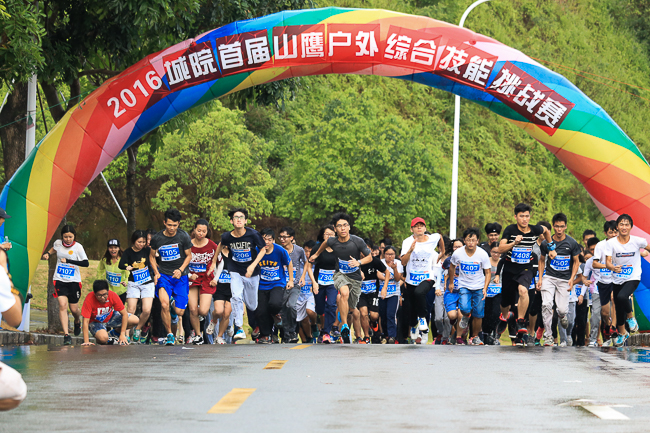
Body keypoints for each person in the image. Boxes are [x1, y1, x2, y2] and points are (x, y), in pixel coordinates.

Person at [310, 213, 373, 344]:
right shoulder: (333, 241)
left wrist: (359, 262)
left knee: (352, 307)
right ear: (335, 228)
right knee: (344, 293)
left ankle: (348, 323)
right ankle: (344, 325)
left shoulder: (357, 241)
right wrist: (316, 254)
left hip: (355, 277)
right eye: (339, 226)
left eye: (345, 225)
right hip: (340, 275)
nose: (343, 228)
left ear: (349, 227)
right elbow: (324, 243)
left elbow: (370, 257)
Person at [497, 203, 551, 346]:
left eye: (527, 216)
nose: (524, 219)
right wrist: (514, 243)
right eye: (521, 216)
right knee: (505, 302)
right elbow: (500, 249)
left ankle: (521, 321)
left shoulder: (535, 229)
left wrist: (551, 247)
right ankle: (504, 316)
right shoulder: (510, 230)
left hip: (526, 268)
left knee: (523, 290)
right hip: (510, 268)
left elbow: (546, 230)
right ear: (516, 217)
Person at [215, 208, 267, 341]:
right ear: (231, 221)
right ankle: (239, 327)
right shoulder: (227, 236)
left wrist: (252, 266)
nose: (238, 219)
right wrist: (213, 262)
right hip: (235, 269)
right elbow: (220, 245)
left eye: (241, 217)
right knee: (236, 296)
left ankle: (243, 300)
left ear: (245, 221)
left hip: (251, 273)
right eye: (236, 217)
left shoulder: (253, 234)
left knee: (252, 305)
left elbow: (263, 249)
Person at [605, 214, 650, 346]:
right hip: (617, 277)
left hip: (633, 276)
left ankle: (631, 317)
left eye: (627, 225)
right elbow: (608, 262)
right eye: (621, 224)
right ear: (617, 227)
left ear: (631, 227)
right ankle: (622, 333)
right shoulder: (611, 243)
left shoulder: (638, 241)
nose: (624, 227)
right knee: (619, 307)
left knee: (622, 296)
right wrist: (613, 267)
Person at [149, 208, 193, 346]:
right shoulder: (157, 238)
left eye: (175, 225)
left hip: (180, 276)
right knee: (163, 304)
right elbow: (151, 256)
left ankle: (173, 307)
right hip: (164, 275)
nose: (172, 228)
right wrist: (156, 272)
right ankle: (169, 334)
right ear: (164, 223)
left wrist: (180, 269)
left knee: (180, 311)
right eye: (169, 225)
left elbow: (189, 256)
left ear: (178, 224)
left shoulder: (183, 236)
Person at [537, 213, 581, 347]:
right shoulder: (546, 243)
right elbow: (541, 261)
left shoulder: (572, 243)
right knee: (546, 305)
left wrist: (572, 279)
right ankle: (548, 336)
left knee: (561, 310)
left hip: (564, 279)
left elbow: (576, 262)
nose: (559, 229)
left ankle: (562, 316)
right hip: (549, 277)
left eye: (562, 226)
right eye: (556, 226)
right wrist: (540, 279)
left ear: (566, 226)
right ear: (553, 226)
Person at [42, 224, 89, 345]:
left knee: (74, 309)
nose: (68, 239)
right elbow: (54, 249)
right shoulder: (58, 243)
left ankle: (77, 321)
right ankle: (66, 335)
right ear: (62, 236)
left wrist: (69, 261)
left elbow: (86, 263)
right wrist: (48, 253)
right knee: (62, 305)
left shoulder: (78, 247)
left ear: (74, 236)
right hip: (60, 279)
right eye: (65, 237)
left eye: (70, 237)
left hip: (74, 281)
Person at [400, 217, 445, 342]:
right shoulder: (407, 242)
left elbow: (440, 237)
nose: (419, 227)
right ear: (412, 229)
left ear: (425, 228)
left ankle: (422, 318)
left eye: (421, 225)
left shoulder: (432, 238)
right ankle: (414, 325)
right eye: (416, 226)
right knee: (411, 310)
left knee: (419, 292)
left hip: (427, 277)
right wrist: (410, 251)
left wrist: (442, 251)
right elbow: (403, 262)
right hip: (411, 279)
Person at [448, 228, 491, 345]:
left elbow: (488, 272)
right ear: (464, 240)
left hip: (479, 286)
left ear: (477, 241)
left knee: (478, 313)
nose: (471, 243)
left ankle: (475, 336)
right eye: (468, 240)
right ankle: (466, 316)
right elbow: (452, 267)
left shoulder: (482, 254)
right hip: (464, 285)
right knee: (465, 308)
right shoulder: (458, 253)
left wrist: (485, 288)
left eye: (473, 240)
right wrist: (451, 282)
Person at [256, 228, 293, 344]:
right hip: (261, 284)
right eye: (264, 239)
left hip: (277, 283)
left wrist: (290, 280)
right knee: (261, 311)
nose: (266, 242)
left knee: (275, 303)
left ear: (273, 240)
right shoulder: (256, 250)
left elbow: (289, 263)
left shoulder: (280, 250)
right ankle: (266, 335)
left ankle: (276, 314)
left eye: (269, 239)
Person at [119, 230, 156, 344]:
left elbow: (154, 259)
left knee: (147, 310)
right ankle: (126, 333)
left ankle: (138, 328)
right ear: (133, 241)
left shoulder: (147, 250)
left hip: (147, 282)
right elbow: (121, 264)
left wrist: (156, 273)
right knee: (131, 309)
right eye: (139, 242)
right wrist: (127, 267)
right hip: (134, 283)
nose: (141, 244)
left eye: (143, 242)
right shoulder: (128, 252)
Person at [187, 219, 219, 345]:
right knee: (193, 309)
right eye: (199, 230)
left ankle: (205, 319)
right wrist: (190, 274)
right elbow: (181, 263)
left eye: (204, 231)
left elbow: (220, 262)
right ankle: (198, 335)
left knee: (203, 311)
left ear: (207, 232)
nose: (201, 233)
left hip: (207, 279)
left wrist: (215, 278)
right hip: (192, 279)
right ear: (194, 230)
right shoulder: (187, 244)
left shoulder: (212, 245)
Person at [80, 280, 139, 345]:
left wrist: (122, 334)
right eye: (99, 295)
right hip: (95, 321)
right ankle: (102, 338)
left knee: (135, 320)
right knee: (103, 338)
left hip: (110, 317)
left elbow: (124, 314)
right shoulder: (89, 298)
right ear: (95, 293)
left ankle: (115, 333)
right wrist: (86, 341)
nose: (102, 298)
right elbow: (85, 321)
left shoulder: (112, 295)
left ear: (108, 291)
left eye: (104, 295)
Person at [308, 225, 338, 344]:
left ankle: (327, 332)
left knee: (331, 304)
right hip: (319, 282)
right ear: (323, 235)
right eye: (327, 234)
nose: (329, 237)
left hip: (333, 282)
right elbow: (309, 266)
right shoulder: (317, 248)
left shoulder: (338, 248)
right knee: (320, 309)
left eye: (331, 234)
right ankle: (321, 327)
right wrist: (314, 283)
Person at [278, 227, 307, 343]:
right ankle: (287, 334)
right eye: (280, 237)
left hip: (295, 284)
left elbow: (306, 263)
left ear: (291, 238)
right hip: (281, 284)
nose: (282, 239)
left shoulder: (299, 250)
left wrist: (303, 277)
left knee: (291, 305)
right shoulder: (278, 250)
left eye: (285, 237)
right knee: (283, 309)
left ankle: (293, 331)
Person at [591, 220, 618, 345]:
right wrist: (608, 266)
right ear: (605, 233)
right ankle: (607, 325)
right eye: (611, 232)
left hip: (617, 279)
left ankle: (614, 328)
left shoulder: (621, 245)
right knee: (605, 312)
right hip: (603, 281)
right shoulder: (600, 246)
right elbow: (594, 264)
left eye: (615, 232)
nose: (614, 235)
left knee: (614, 298)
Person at [358, 249, 388, 343]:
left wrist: (384, 287)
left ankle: (374, 322)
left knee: (374, 316)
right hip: (361, 292)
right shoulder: (355, 262)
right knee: (363, 314)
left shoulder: (374, 261)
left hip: (373, 292)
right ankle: (366, 336)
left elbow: (387, 272)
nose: (363, 253)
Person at [207, 249, 232, 344]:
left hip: (232, 288)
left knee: (226, 314)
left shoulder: (235, 254)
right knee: (218, 311)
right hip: (219, 287)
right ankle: (214, 320)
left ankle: (219, 337)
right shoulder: (218, 254)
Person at [379, 246, 403, 344]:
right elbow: (379, 275)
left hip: (394, 293)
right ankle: (385, 335)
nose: (390, 256)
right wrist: (387, 277)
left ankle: (392, 336)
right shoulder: (380, 262)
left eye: (392, 254)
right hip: (382, 293)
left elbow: (397, 279)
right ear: (384, 254)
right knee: (383, 315)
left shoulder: (398, 263)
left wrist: (395, 269)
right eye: (388, 254)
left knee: (391, 314)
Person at [444, 238, 464, 344]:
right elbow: (443, 272)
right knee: (452, 315)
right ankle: (455, 324)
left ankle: (459, 337)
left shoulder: (467, 260)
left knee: (461, 314)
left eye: (459, 246)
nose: (457, 248)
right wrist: (444, 284)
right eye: (455, 246)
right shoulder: (448, 260)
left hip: (463, 291)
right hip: (451, 291)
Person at [97, 239, 129, 303]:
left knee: (119, 309)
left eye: (115, 247)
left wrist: (125, 282)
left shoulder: (124, 260)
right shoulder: (104, 260)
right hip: (108, 291)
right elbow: (100, 270)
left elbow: (128, 274)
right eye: (111, 247)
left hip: (121, 291)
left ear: (119, 248)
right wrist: (100, 282)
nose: (113, 250)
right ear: (108, 249)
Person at [483, 242, 502, 345]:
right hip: (487, 290)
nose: (496, 254)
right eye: (494, 252)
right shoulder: (486, 262)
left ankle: (494, 334)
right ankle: (485, 334)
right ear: (490, 251)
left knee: (496, 313)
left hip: (499, 291)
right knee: (486, 313)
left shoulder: (503, 262)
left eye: (498, 252)